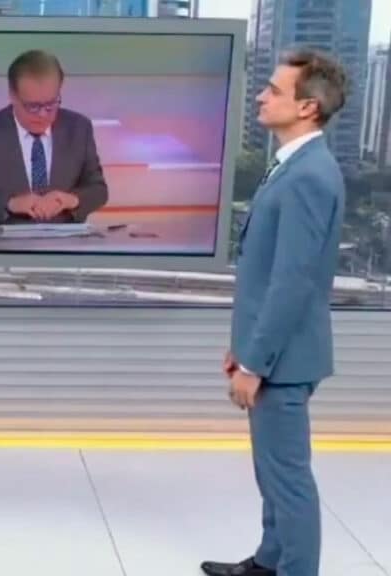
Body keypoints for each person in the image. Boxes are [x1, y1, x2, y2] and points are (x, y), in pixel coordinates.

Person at [201, 48, 348, 576]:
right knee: (272, 472)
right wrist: (243, 347)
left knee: (288, 480)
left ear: (308, 107)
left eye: (274, 90)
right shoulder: (294, 165)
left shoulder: (309, 176)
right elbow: (268, 274)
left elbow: (292, 283)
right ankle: (270, 561)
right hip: (271, 353)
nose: (261, 97)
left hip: (283, 362)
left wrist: (255, 363)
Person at [0, 49, 108, 226]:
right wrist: (9, 204)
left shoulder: (79, 128)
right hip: (1, 242)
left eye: (51, 104)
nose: (43, 114)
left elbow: (98, 189)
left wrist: (71, 200)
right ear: (12, 96)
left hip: (65, 241)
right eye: (33, 106)